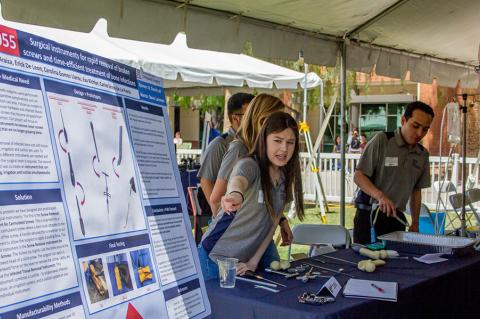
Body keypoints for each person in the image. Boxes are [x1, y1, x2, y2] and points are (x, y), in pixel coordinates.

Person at [198, 112, 304, 279]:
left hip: (242, 261)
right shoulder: (249, 164)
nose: (284, 148)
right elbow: (238, 180)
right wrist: (235, 195)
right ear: (264, 140)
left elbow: (273, 222)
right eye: (277, 140)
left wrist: (253, 262)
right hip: (213, 257)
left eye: (290, 142)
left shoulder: (284, 177)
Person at [209, 93, 292, 269]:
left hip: (259, 239)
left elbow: (265, 197)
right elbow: (217, 198)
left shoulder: (273, 157)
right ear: (261, 121)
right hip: (227, 249)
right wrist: (236, 238)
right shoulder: (240, 150)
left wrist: (281, 220)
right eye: (277, 120)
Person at [353, 101, 434, 244]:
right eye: (415, 126)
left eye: (425, 129)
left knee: (397, 260)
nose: (419, 133)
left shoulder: (422, 155)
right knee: (367, 261)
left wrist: (415, 222)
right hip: (370, 215)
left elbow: (416, 190)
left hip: (396, 217)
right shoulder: (383, 140)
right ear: (403, 120)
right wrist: (380, 196)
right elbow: (359, 176)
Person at [197, 93, 254, 211]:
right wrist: (218, 215)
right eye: (250, 115)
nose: (255, 119)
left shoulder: (253, 143)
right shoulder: (220, 144)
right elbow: (206, 181)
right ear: (235, 118)